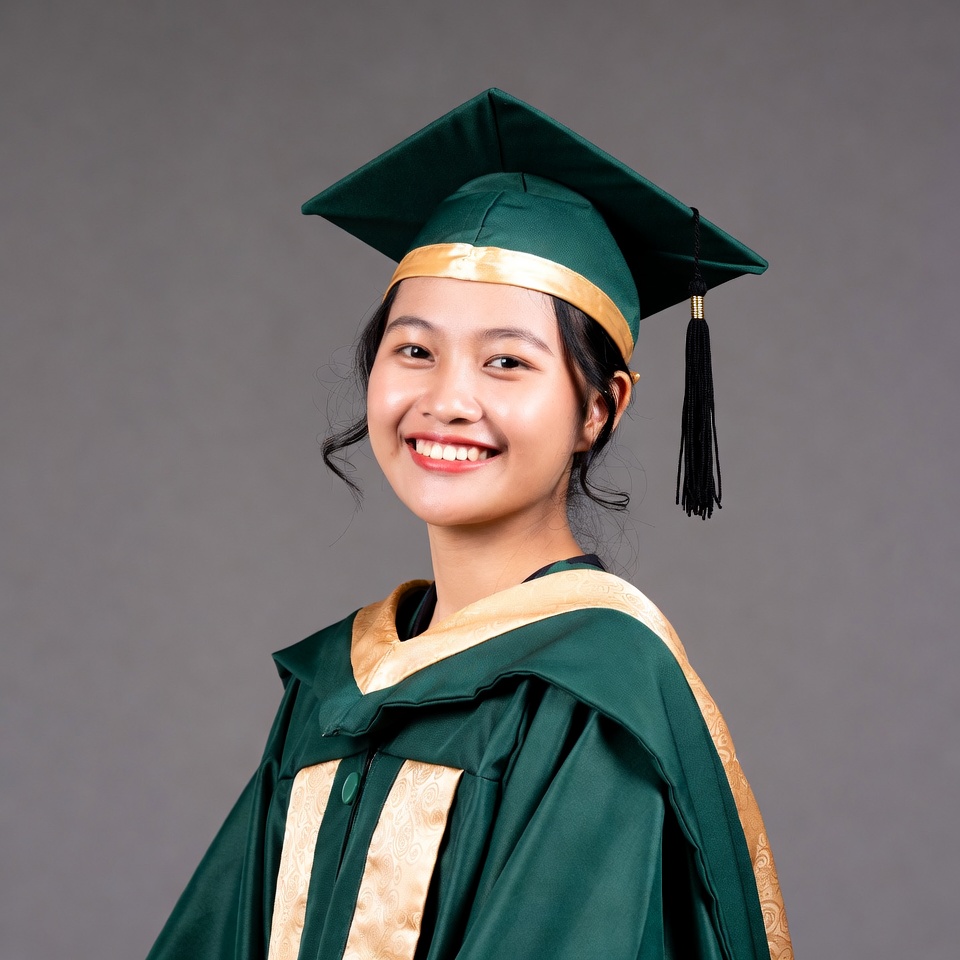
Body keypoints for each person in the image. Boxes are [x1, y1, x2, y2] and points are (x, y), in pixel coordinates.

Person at [147, 89, 792, 960]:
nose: (447, 400)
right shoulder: (336, 690)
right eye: (414, 350)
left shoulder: (595, 699)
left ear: (600, 409)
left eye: (506, 362)